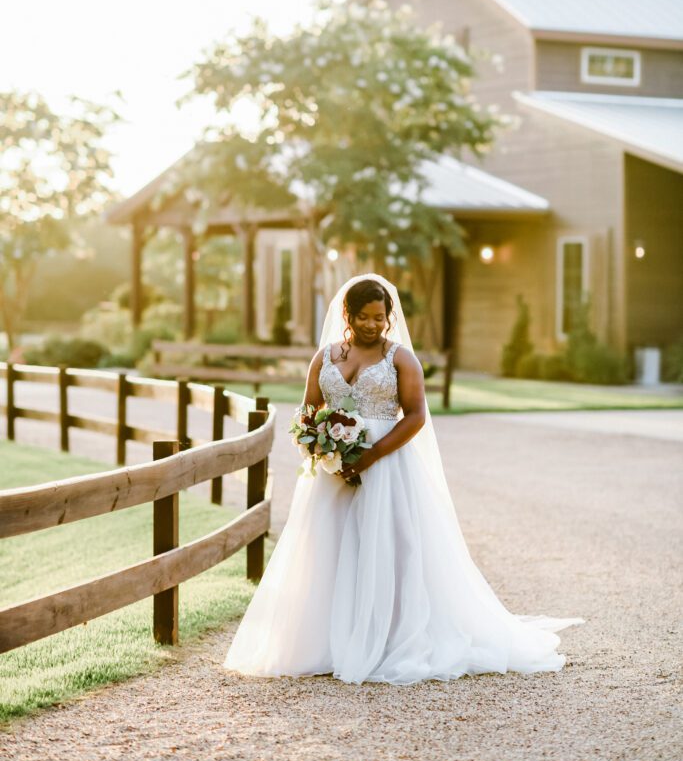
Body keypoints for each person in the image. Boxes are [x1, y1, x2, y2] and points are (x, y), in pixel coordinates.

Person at [222, 272, 585, 684]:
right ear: (348, 314)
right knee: (329, 547)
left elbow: (415, 416)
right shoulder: (325, 358)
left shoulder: (400, 359)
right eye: (364, 317)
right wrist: (319, 442)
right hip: (333, 471)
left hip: (387, 465)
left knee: (390, 547)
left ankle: (390, 636)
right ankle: (329, 639)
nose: (373, 325)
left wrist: (370, 455)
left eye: (380, 317)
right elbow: (308, 409)